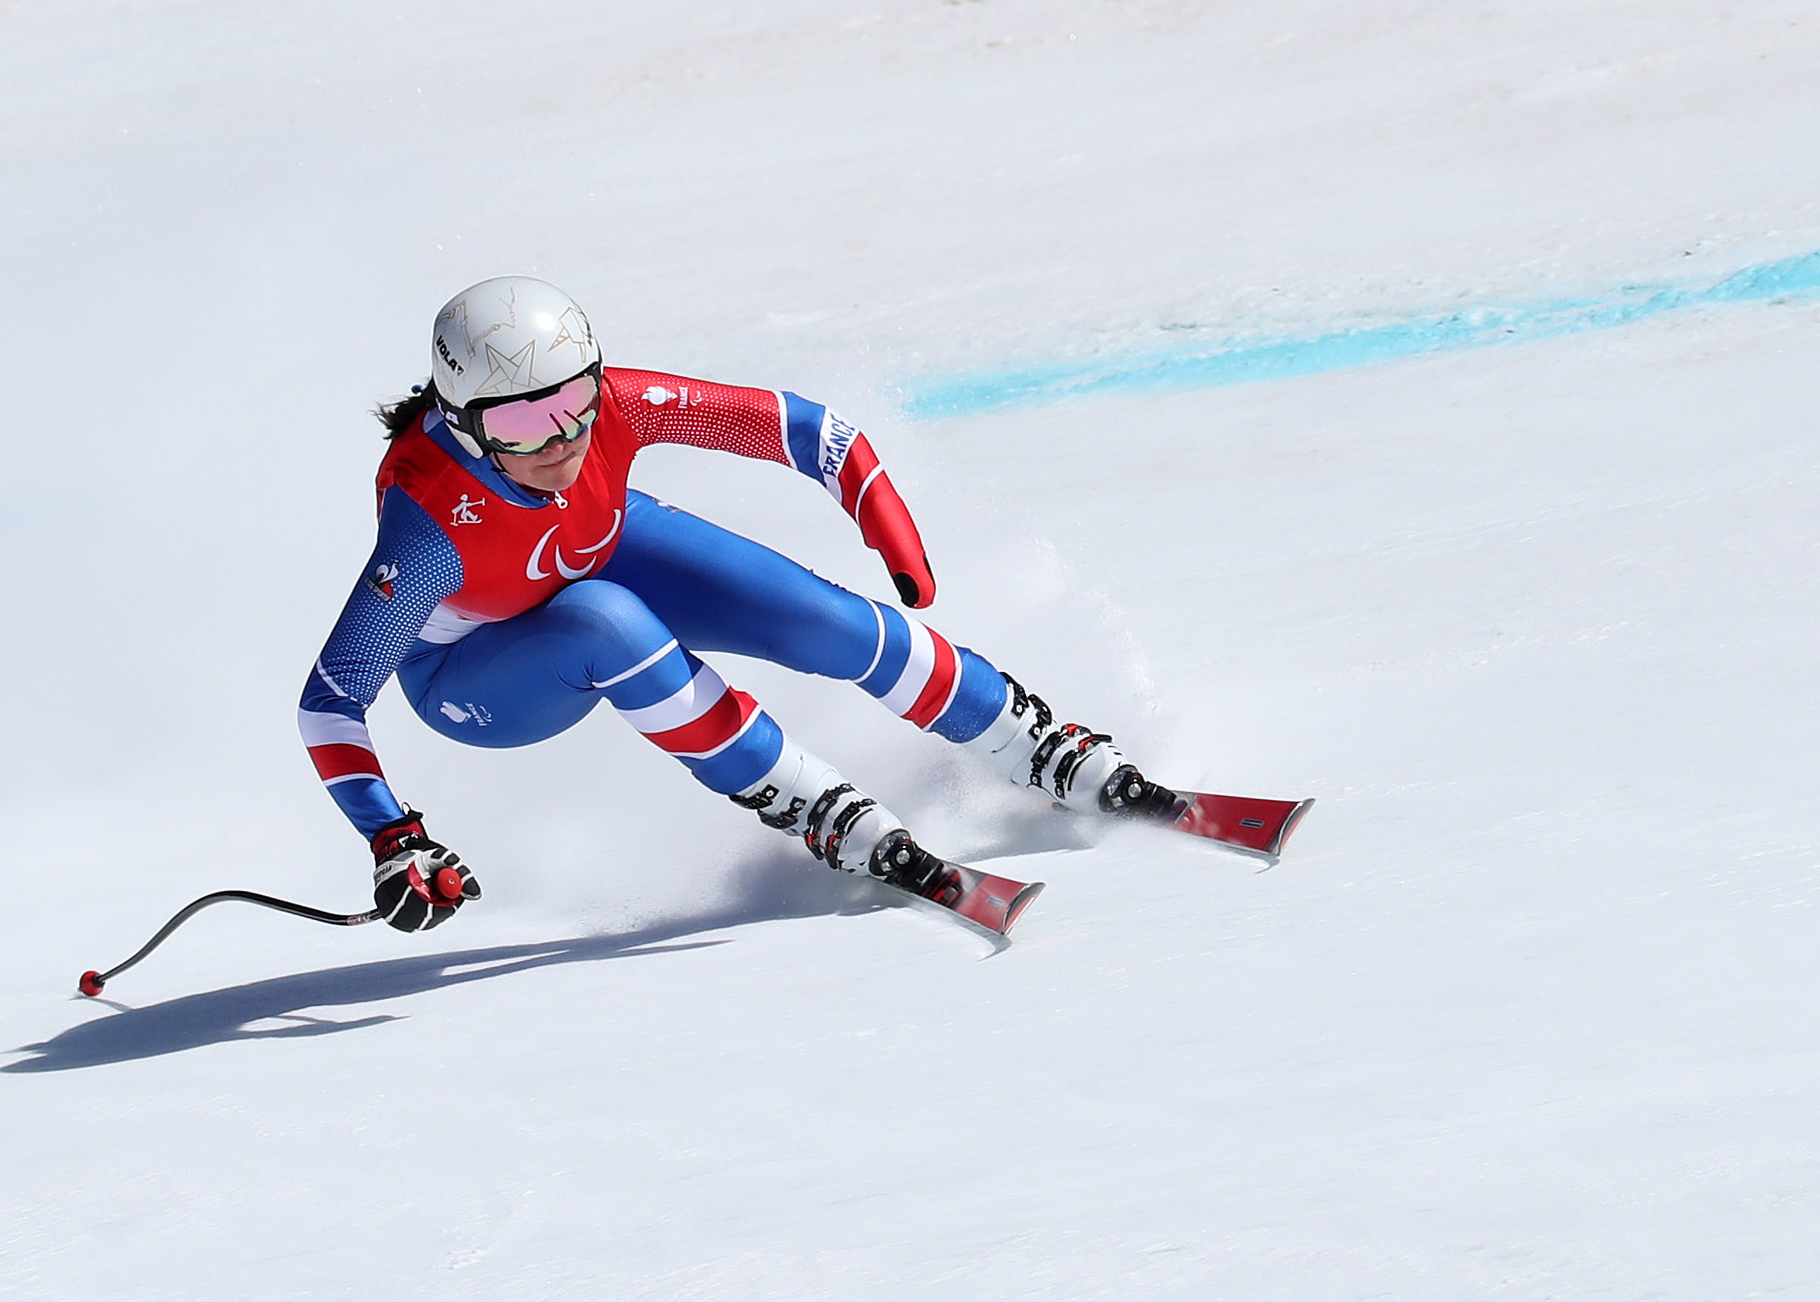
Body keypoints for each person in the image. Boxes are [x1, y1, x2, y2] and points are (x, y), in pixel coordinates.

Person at [300, 276, 1182, 932]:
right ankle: (812, 802)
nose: (562, 440)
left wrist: (880, 509)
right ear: (461, 423)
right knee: (608, 618)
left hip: (586, 553)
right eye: (522, 428)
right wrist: (393, 837)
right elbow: (330, 701)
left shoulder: (615, 407)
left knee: (823, 620)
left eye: (573, 404)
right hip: (478, 674)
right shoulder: (429, 528)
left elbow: (802, 428)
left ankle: (1031, 744)